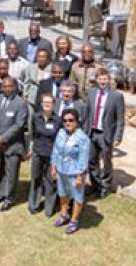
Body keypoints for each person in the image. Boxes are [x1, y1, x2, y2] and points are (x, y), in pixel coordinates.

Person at [0, 77, 28, 212]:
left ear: (15, 87)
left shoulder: (21, 103)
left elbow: (19, 125)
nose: (7, 89)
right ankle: (1, 193)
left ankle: (9, 198)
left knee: (11, 173)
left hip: (12, 145)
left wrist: (3, 138)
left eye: (10, 86)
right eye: (4, 86)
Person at [84, 69, 125, 198]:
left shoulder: (117, 96)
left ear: (109, 80)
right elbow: (87, 113)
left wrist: (118, 136)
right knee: (91, 160)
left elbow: (120, 118)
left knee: (106, 161)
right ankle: (95, 184)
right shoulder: (91, 93)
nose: (102, 81)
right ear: (96, 80)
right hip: (91, 132)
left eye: (105, 79)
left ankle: (105, 186)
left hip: (106, 134)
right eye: (100, 79)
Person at [51, 108, 91, 234]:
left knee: (77, 197)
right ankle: (64, 214)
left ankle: (74, 220)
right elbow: (55, 150)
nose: (68, 123)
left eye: (71, 120)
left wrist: (80, 175)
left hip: (75, 172)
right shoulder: (61, 133)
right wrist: (53, 166)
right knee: (63, 193)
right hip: (61, 170)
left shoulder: (82, 138)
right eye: (65, 121)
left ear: (77, 121)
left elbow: (83, 158)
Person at [28, 93, 62, 217]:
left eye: (50, 102)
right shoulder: (36, 117)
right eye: (45, 102)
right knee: (36, 178)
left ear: (54, 104)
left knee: (50, 180)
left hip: (52, 155)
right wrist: (31, 148)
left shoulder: (58, 120)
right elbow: (32, 134)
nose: (47, 104)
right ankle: (34, 204)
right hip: (37, 152)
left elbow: (60, 139)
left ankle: (49, 207)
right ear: (41, 104)